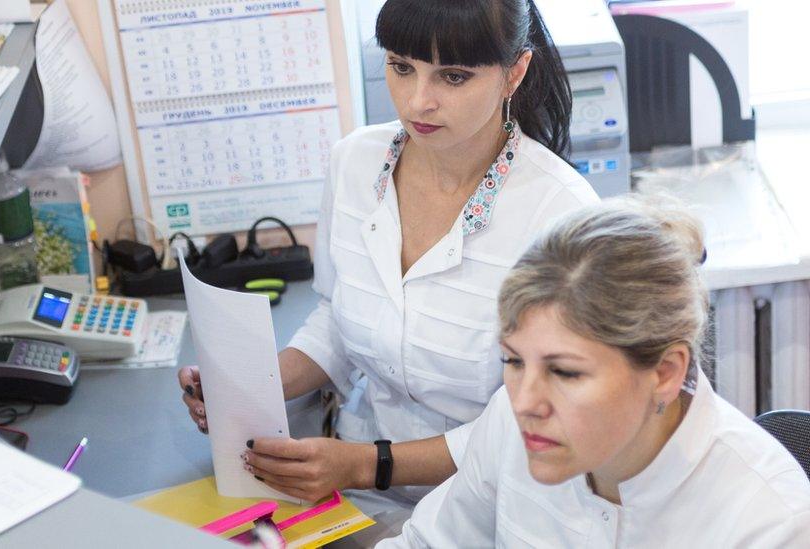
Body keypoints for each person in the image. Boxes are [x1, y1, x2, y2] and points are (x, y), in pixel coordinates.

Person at [179, 0, 599, 514]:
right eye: (401, 67)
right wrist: (248, 385)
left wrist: (366, 464)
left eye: (454, 77)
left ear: (514, 73)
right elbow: (339, 319)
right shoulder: (354, 162)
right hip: (358, 493)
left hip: (493, 507)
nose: (417, 102)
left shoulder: (562, 215)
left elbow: (535, 418)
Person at [380, 198, 810, 547]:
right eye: (513, 361)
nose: (525, 402)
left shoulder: (771, 523)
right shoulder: (512, 424)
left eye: (565, 373)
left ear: (664, 372)